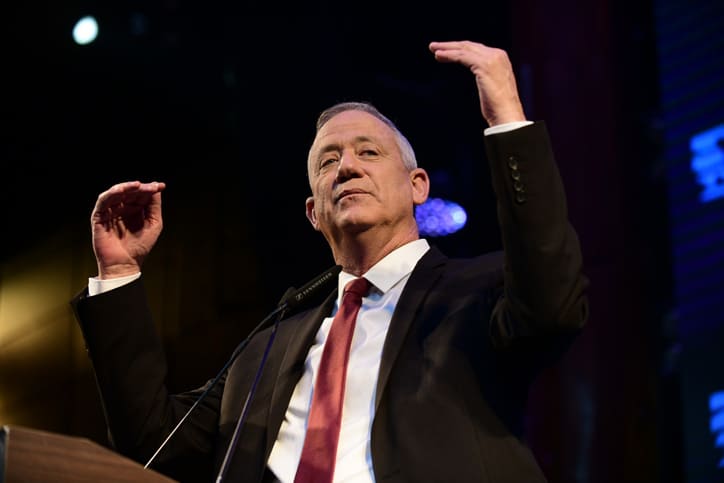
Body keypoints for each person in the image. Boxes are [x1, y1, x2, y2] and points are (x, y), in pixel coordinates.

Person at [71, 40, 589, 483]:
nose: (346, 168)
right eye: (328, 160)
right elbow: (154, 442)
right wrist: (118, 273)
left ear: (417, 186)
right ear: (313, 213)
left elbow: (553, 306)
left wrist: (507, 120)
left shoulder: (477, 292)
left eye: (369, 153)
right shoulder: (268, 347)